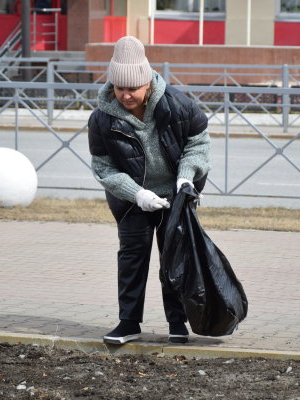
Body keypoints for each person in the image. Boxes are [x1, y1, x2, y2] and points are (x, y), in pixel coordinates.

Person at [88, 36, 211, 345]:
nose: (125, 95)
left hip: (175, 195)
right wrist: (137, 195)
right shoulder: (101, 119)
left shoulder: (177, 105)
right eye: (119, 88)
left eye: (132, 88)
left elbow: (198, 146)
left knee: (175, 258)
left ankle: (177, 323)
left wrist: (185, 179)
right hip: (133, 200)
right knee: (132, 257)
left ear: (147, 83)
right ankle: (128, 323)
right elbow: (104, 169)